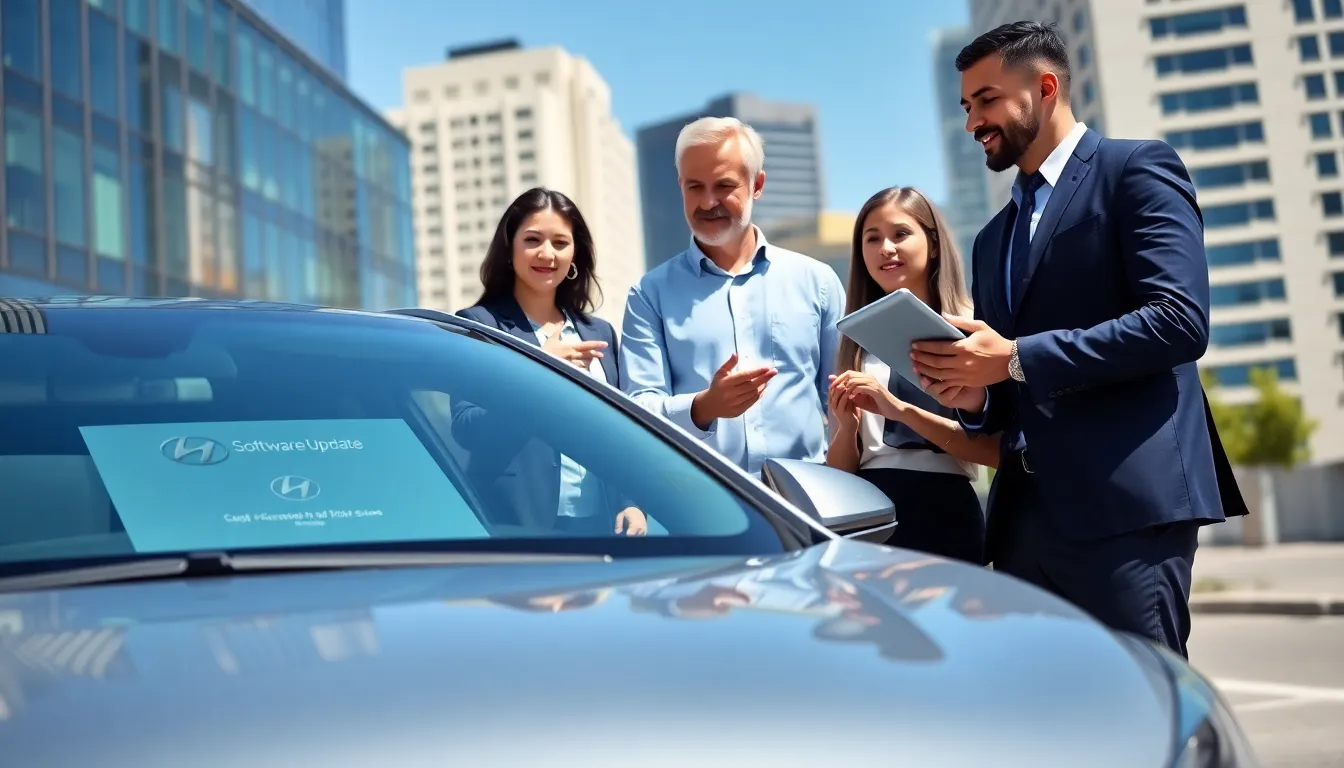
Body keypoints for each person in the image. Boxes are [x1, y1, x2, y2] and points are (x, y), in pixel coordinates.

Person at [908, 21, 1247, 657]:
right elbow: (1004, 399)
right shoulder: (991, 239)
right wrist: (964, 384)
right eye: (965, 106)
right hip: (1021, 525)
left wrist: (1012, 358)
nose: (971, 122)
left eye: (986, 100)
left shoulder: (1136, 170)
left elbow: (1178, 320)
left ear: (1045, 86)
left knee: (1139, 716)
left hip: (1125, 512)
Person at [620, 117, 846, 475]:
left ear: (757, 185)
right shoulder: (649, 295)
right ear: (680, 186)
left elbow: (842, 404)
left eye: (724, 185)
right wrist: (704, 407)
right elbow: (637, 410)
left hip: (811, 507)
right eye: (695, 187)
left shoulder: (817, 282)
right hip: (704, 509)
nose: (708, 202)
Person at [452, 187, 647, 537]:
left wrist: (630, 501)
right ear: (509, 249)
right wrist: (537, 370)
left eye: (560, 243)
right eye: (532, 240)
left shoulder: (599, 331)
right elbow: (467, 429)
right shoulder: (479, 326)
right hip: (516, 523)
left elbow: (620, 431)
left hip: (601, 524)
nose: (547, 253)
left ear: (575, 255)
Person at [826, 186, 997, 565]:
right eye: (872, 239)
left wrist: (899, 410)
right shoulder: (854, 339)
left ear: (933, 244)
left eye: (900, 234)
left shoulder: (975, 329)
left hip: (946, 513)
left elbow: (993, 450)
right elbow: (843, 471)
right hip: (869, 518)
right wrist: (844, 429)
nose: (886, 248)